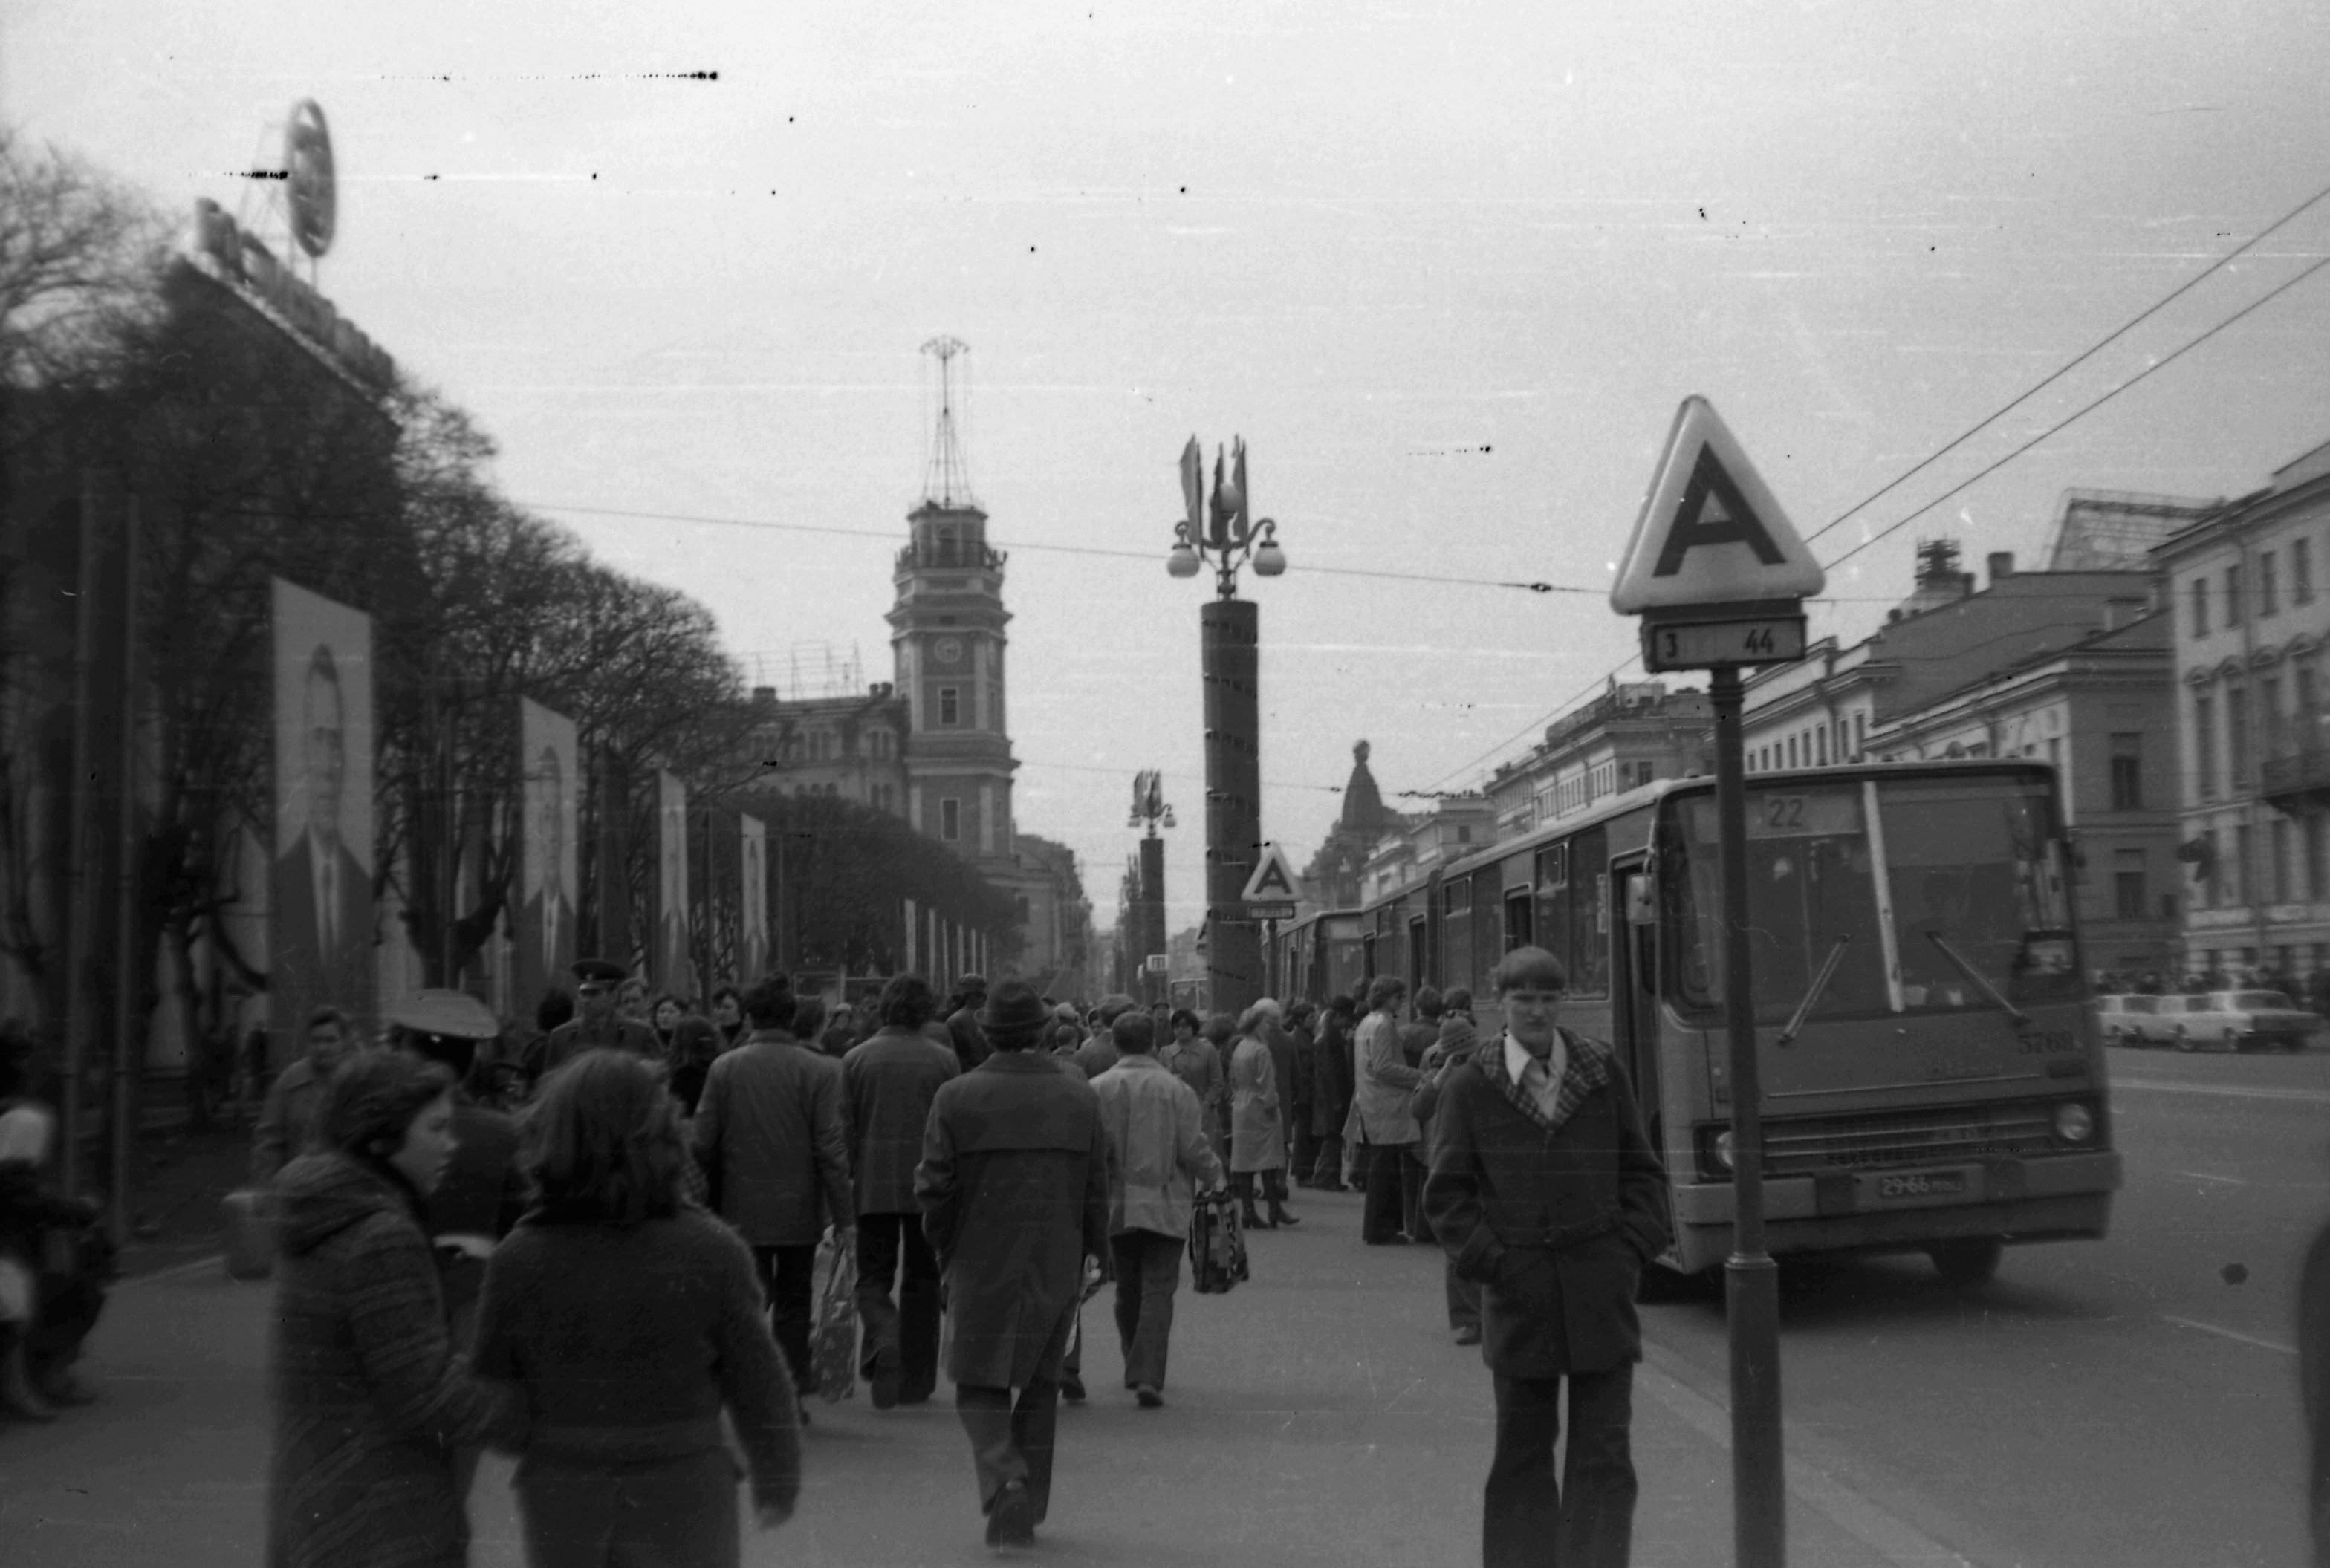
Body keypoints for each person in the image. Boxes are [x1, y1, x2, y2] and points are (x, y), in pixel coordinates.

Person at [473, 1051, 800, 1568]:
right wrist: (778, 1474)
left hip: (565, 1489)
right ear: (664, 1135)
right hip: (685, 1484)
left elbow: (494, 1384)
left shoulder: (519, 1257)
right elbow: (758, 1379)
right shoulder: (711, 1249)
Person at [1422, 946, 1670, 1568]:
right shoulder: (1471, 1085)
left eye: (1548, 998)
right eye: (1523, 998)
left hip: (1600, 1294)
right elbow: (1446, 1195)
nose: (1536, 1011)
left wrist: (1629, 1251)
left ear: (1562, 1002)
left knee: (1605, 1459)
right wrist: (1496, 1263)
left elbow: (1642, 1172)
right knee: (1522, 1459)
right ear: (1499, 1003)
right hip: (1520, 1298)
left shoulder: (1601, 1071)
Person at [266, 1050, 527, 1568]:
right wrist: (526, 1413)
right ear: (381, 1138)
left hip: (319, 1499)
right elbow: (425, 1393)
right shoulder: (381, 1235)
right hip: (382, 1516)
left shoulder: (323, 1213)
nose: (451, 1145)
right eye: (436, 1128)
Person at [915, 978, 1111, 1550]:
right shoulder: (1079, 1096)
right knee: (1042, 1380)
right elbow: (1098, 1184)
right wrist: (1096, 1250)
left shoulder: (956, 1095)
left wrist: (944, 1245)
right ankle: (1029, 1499)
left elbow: (934, 1186)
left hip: (979, 1253)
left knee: (978, 1377)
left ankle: (1007, 1480)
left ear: (985, 1032)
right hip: (1056, 1253)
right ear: (1044, 1031)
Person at [691, 975, 853, 1409]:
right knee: (796, 1301)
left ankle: (740, 1385)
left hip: (739, 1206)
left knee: (747, 1300)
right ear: (792, 1017)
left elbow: (702, 1141)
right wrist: (845, 1216)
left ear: (750, 1017)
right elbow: (830, 1148)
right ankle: (789, 1387)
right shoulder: (819, 1070)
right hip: (800, 1208)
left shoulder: (724, 1068)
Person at [1088, 1011, 1225, 1407]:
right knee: (1159, 1287)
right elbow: (1193, 1146)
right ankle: (1147, 1372)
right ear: (1153, 1042)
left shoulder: (1097, 1088)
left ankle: (1133, 1360)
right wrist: (1215, 1176)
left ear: (1115, 1043)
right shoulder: (1175, 1089)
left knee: (1127, 1286)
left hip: (1117, 1202)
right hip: (1166, 1199)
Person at [384, 991, 530, 1351]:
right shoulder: (504, 1134)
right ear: (470, 1063)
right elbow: (521, 1230)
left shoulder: (379, 1131)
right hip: (475, 1309)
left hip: (392, 1306)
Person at [839, 973, 959, 1410]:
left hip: (872, 1184)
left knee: (872, 1276)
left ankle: (883, 1334)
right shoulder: (944, 1060)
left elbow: (843, 1130)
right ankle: (916, 1379)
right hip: (929, 1186)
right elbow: (954, 1127)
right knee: (923, 1278)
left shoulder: (855, 1059)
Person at [0, 1027, 108, 1418]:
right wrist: (77, 1211)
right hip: (10, 1236)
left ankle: (40, 1373)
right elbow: (17, 1196)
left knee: (79, 1262)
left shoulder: (22, 1117)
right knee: (25, 1287)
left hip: (18, 1231)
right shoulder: (25, 1120)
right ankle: (26, 1381)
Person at [271, 644, 376, 1029]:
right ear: (299, 751)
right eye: (317, 738)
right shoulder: (283, 877)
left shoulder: (360, 882)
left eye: (336, 741)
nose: (329, 766)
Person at [1414, 987, 1486, 1345]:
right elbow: (1418, 1109)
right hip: (1447, 1161)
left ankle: (1487, 1314)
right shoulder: (1435, 1068)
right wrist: (1442, 1074)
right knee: (1458, 1242)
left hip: (1484, 1164)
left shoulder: (1489, 1067)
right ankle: (1471, 1318)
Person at [1351, 975, 1423, 1244]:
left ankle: (1380, 1228)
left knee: (1383, 1167)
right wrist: (1419, 1076)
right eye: (1398, 996)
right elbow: (1384, 1067)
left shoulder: (1366, 1023)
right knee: (1386, 1169)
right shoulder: (1383, 1025)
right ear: (1385, 997)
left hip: (1372, 1100)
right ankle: (1382, 1229)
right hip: (1387, 1103)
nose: (1402, 1001)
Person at [251, 1006, 352, 1186]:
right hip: (297, 1189)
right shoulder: (289, 1081)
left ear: (344, 1042)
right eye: (316, 1041)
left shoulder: (357, 1080)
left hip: (347, 1190)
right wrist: (266, 1190)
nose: (322, 1048)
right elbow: (268, 1143)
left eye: (331, 1040)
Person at [533, 959, 660, 1084]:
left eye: (594, 993)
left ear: (613, 996)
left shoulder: (639, 1033)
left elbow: (660, 1074)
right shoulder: (561, 1036)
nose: (587, 1000)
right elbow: (549, 1083)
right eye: (583, 994)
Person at [1227, 1002, 1297, 1229]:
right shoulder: (1260, 1050)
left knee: (1245, 1161)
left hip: (1241, 1104)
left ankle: (1248, 1211)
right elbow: (1267, 1082)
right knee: (1270, 1159)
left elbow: (1233, 1079)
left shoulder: (1240, 1047)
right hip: (1259, 1105)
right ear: (1257, 1026)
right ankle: (1275, 1208)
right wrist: (1272, 1105)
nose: (1268, 1027)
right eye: (1265, 1024)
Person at [1158, 1009, 1225, 1162]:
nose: (1180, 1030)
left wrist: (1207, 1103)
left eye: (1185, 1026)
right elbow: (1160, 1083)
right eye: (1176, 1026)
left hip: (1204, 1110)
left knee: (1204, 1155)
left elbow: (1217, 1082)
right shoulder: (1166, 1052)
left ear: (1193, 1027)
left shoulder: (1208, 1050)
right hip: (1176, 1111)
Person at [1308, 996, 1357, 1191]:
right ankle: (1326, 1177)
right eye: (1346, 1019)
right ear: (1337, 1016)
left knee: (1333, 1136)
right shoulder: (1328, 1040)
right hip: (1332, 1097)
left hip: (1332, 1096)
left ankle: (1329, 1177)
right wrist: (1335, 1099)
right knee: (1332, 1137)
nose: (1348, 1023)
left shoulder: (1328, 1037)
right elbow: (1327, 1072)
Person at [1285, 1001, 1320, 1182]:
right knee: (1304, 1135)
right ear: (1301, 1020)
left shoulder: (1304, 1036)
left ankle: (1305, 1171)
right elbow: (1303, 1068)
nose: (1315, 1020)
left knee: (1306, 1134)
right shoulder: (1299, 1039)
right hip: (1305, 1093)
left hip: (1307, 1092)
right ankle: (1303, 1172)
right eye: (1311, 1017)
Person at [945, 973, 991, 1073]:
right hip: (994, 1069)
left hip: (969, 1072)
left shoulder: (954, 1020)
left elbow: (954, 1054)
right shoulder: (994, 1016)